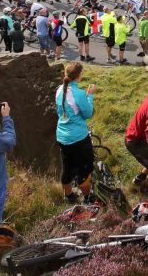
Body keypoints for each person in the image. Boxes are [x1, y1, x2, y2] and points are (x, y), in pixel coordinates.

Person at [55, 62, 96, 204]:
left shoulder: (59, 90)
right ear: (79, 75)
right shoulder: (78, 93)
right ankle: (88, 198)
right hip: (78, 138)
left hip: (62, 136)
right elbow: (88, 114)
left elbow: (60, 111)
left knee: (67, 167)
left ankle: (69, 196)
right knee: (84, 169)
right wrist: (90, 96)